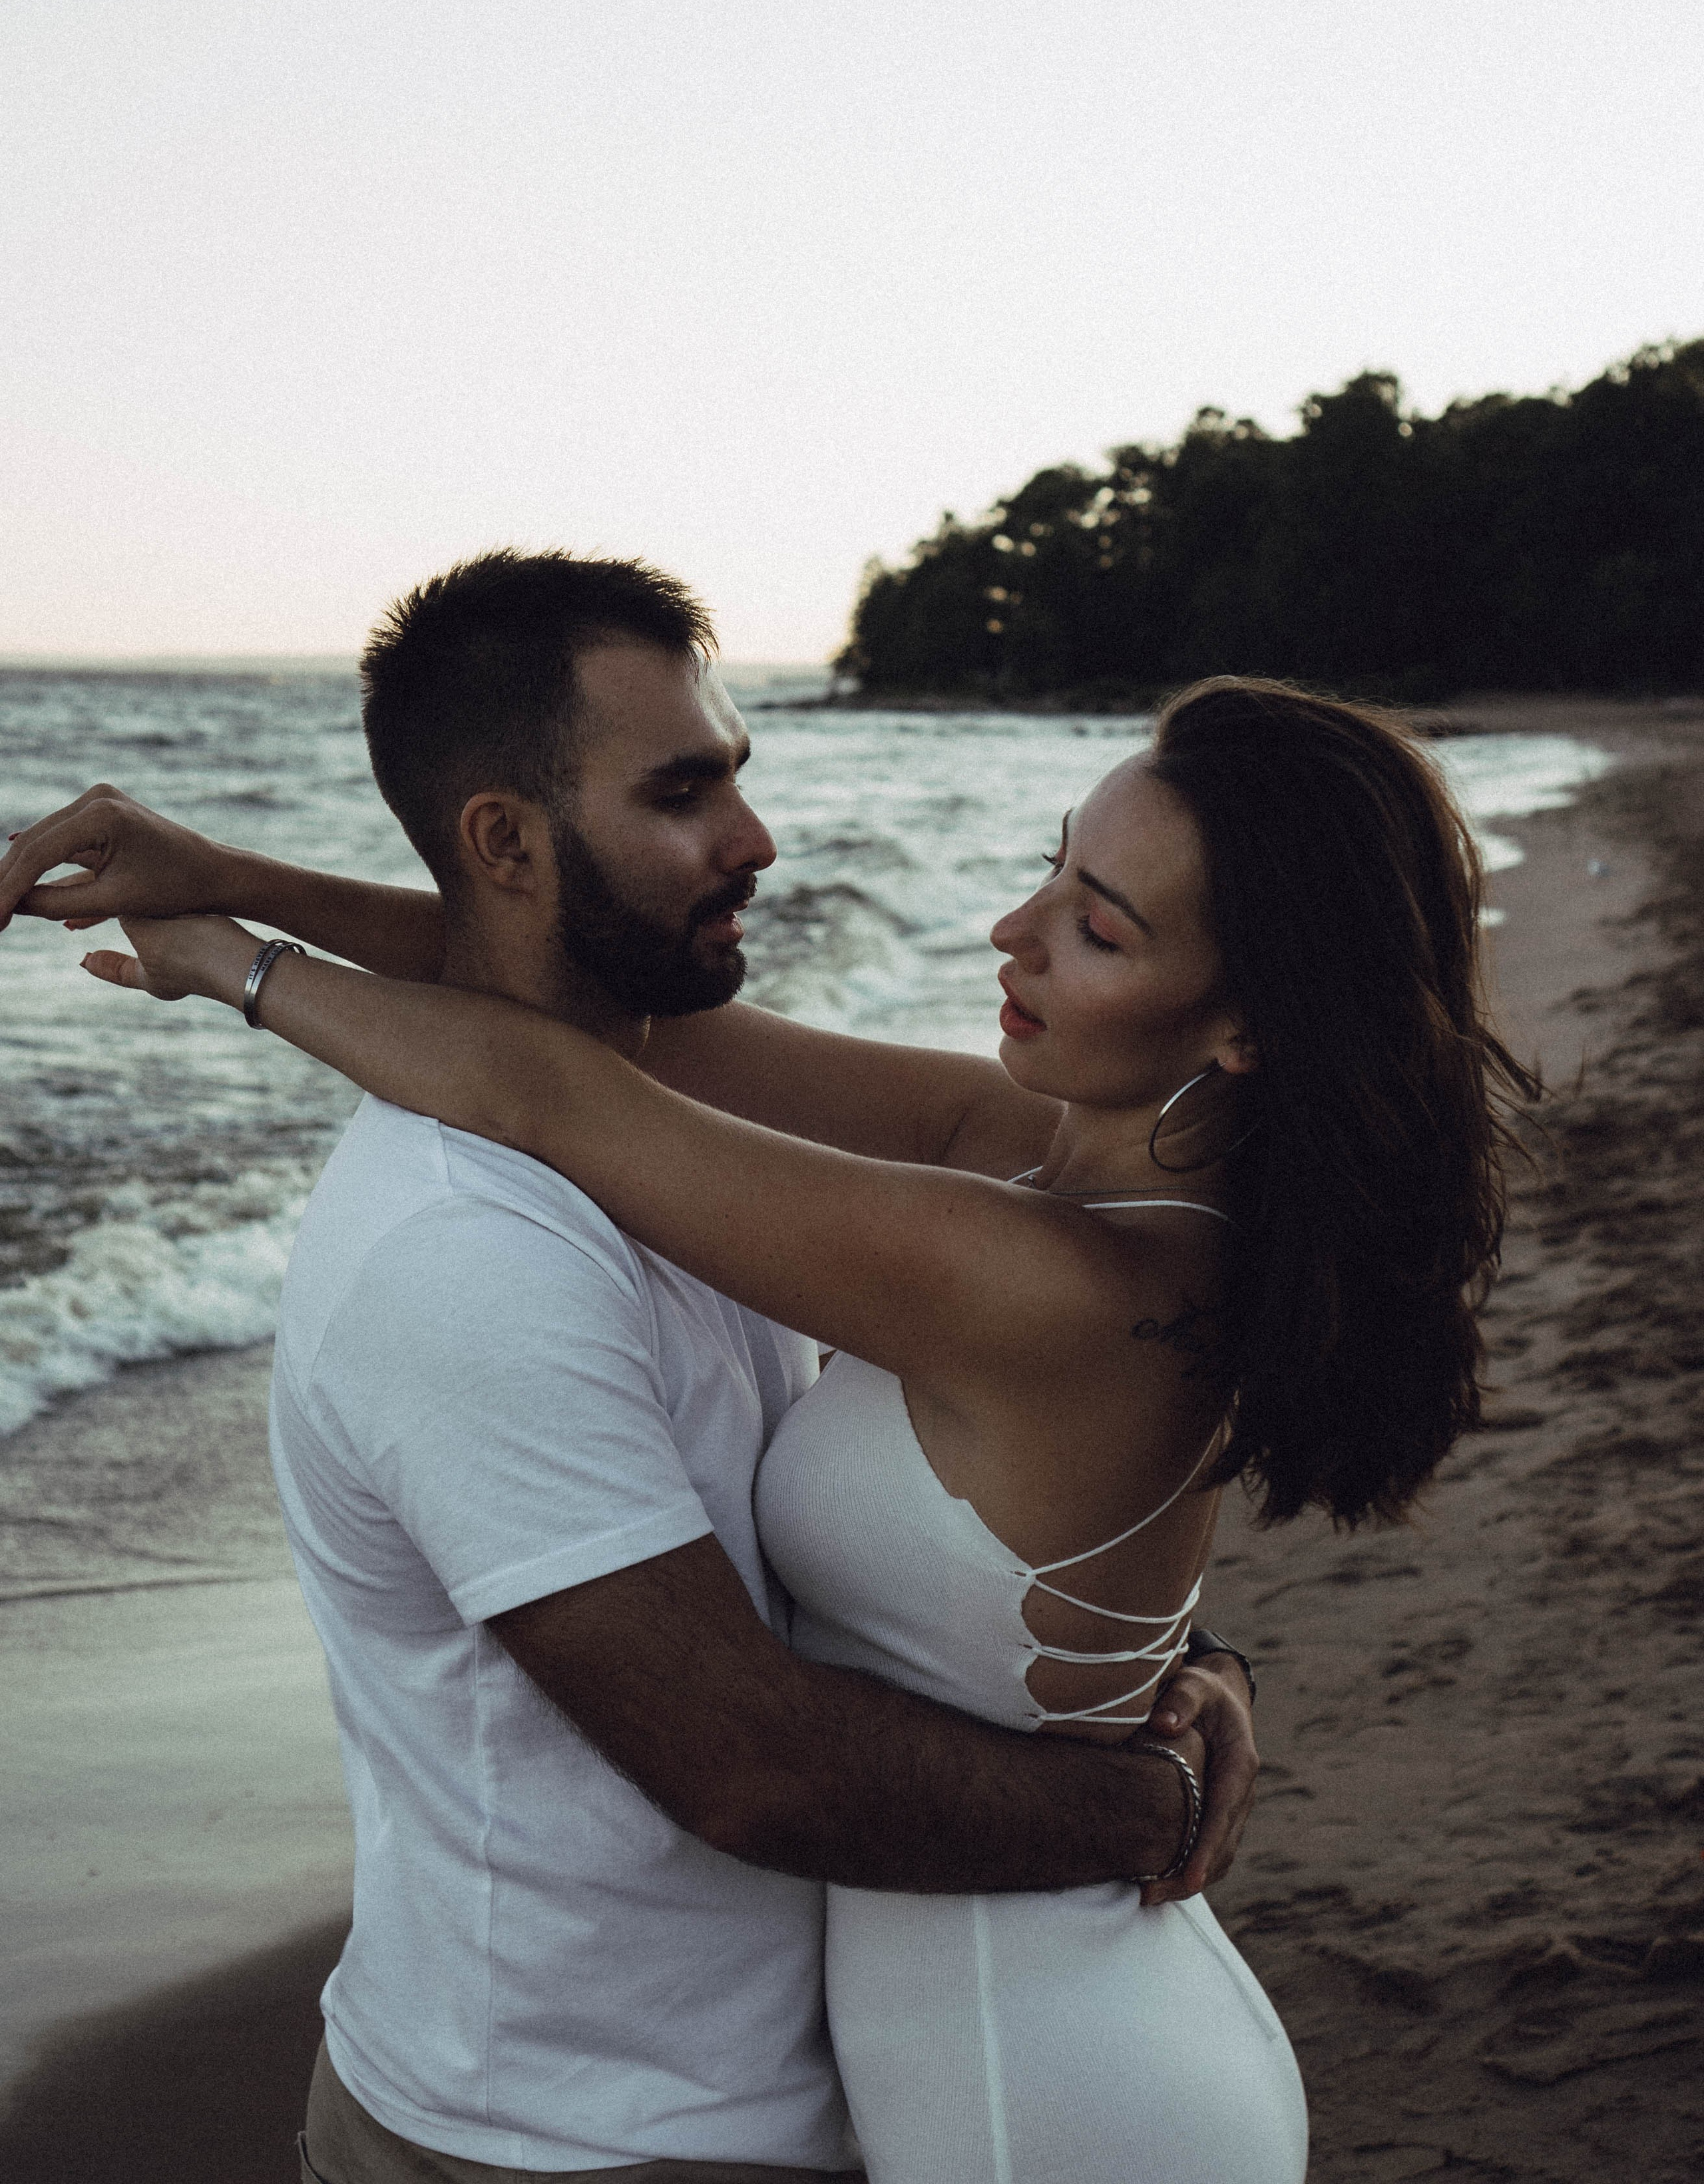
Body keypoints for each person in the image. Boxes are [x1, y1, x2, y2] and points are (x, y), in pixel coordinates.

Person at [0, 552, 1279, 2184]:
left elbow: (559, 1069)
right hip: (565, 2137)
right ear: (505, 842)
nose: (756, 840)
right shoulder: (471, 1250)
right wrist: (1146, 1788)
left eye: (1092, 924)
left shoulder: (744, 1159)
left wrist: (241, 952)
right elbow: (749, 1763)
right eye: (685, 791)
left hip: (871, 2091)